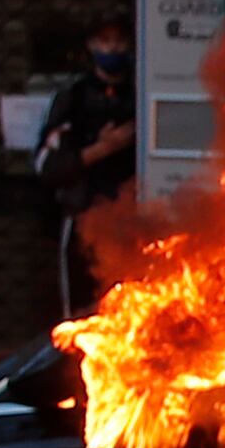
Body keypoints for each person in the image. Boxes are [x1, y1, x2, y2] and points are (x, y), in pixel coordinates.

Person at [37, 16, 136, 318]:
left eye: (119, 41)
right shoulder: (73, 98)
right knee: (80, 317)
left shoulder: (140, 92)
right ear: (92, 46)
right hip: (84, 219)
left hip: (133, 221)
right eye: (105, 41)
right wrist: (102, 148)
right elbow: (47, 166)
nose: (112, 48)